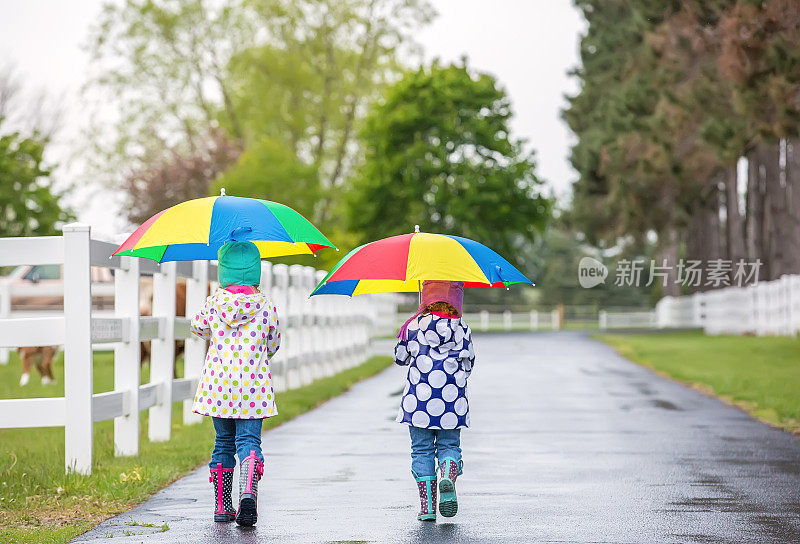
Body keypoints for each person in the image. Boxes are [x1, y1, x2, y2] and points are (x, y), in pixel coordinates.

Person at [190, 240, 280, 526]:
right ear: (256, 273)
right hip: (253, 387)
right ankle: (248, 493)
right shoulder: (264, 305)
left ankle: (223, 506)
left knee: (223, 441)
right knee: (249, 441)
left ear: (223, 273)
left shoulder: (215, 302)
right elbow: (273, 341)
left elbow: (198, 327)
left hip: (219, 387)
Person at [393, 280, 475, 521]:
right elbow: (469, 363)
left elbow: (399, 358)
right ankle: (448, 472)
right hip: (452, 403)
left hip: (419, 403)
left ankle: (427, 507)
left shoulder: (413, 327)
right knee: (449, 446)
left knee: (421, 450)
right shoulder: (463, 329)